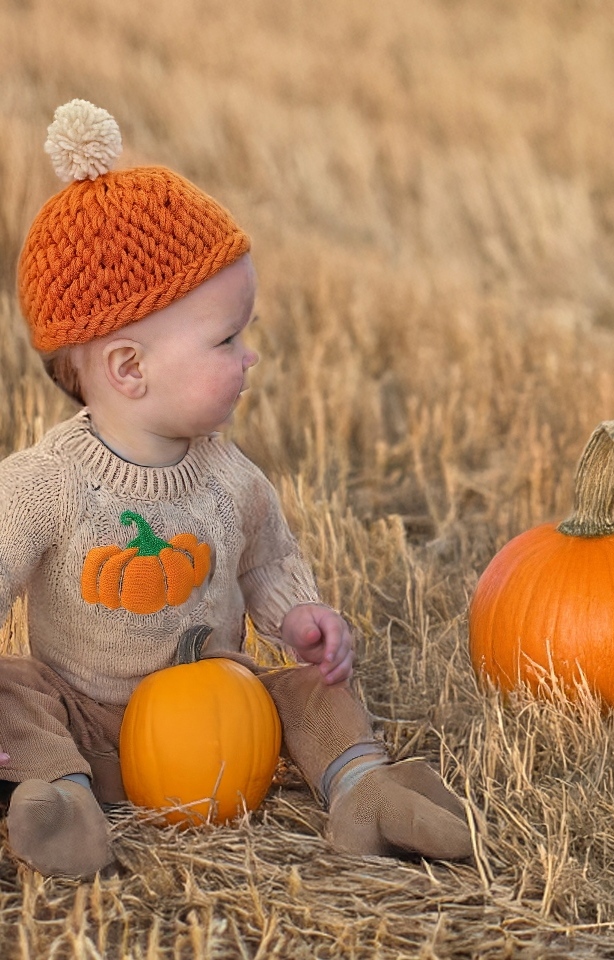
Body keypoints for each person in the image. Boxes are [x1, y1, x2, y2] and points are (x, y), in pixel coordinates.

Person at [0, 99, 473, 878]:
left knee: (311, 693)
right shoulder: (49, 482)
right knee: (13, 687)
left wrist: (304, 618)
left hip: (219, 716)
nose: (249, 357)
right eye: (227, 339)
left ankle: (364, 791)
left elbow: (266, 563)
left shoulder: (230, 478)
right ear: (128, 369)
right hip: (83, 714)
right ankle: (66, 801)